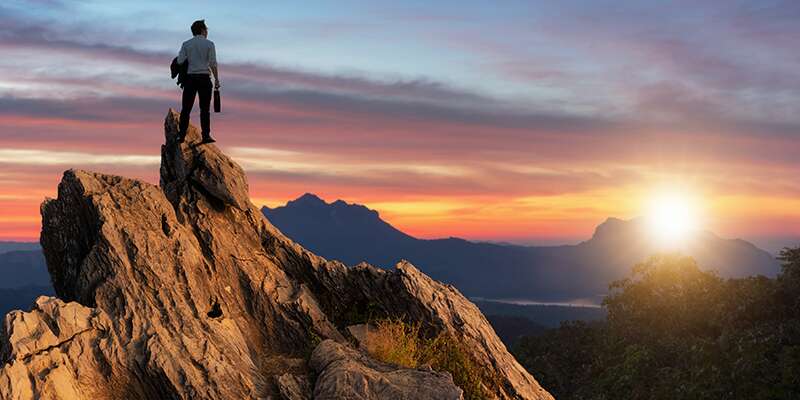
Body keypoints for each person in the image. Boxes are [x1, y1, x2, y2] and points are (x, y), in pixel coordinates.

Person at [177, 20, 220, 144]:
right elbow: (213, 63)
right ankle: (206, 136)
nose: (207, 32)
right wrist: (216, 79)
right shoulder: (209, 44)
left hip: (190, 79)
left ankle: (181, 136)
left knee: (186, 109)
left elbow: (180, 61)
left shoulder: (186, 44)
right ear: (202, 30)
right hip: (204, 78)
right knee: (204, 109)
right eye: (206, 30)